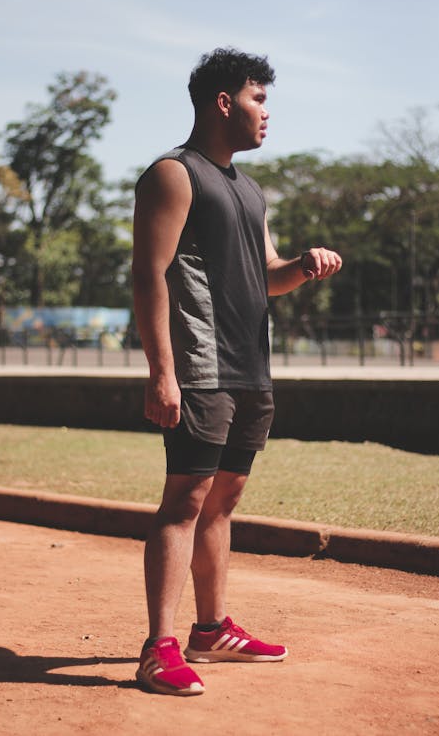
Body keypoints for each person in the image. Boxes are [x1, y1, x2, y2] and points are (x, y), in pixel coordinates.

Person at [132, 47, 342, 696]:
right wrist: (162, 371)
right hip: (200, 366)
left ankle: (210, 629)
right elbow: (148, 273)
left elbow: (269, 276)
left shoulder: (249, 189)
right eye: (258, 99)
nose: (266, 113)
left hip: (251, 367)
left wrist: (302, 266)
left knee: (223, 502)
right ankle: (157, 647)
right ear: (224, 102)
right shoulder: (174, 174)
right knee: (185, 503)